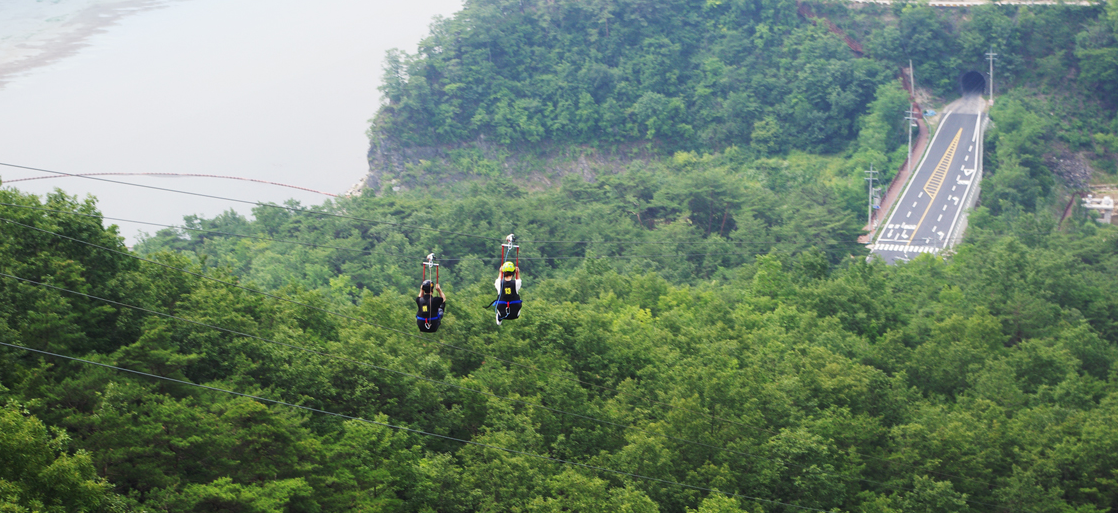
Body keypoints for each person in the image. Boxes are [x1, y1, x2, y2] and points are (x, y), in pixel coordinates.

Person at [494, 261, 521, 326]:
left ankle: (499, 317)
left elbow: (499, 280)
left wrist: (500, 272)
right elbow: (518, 280)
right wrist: (517, 273)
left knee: (499, 300)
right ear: (513, 273)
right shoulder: (516, 284)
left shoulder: (498, 284)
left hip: (502, 310)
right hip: (515, 313)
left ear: (503, 273)